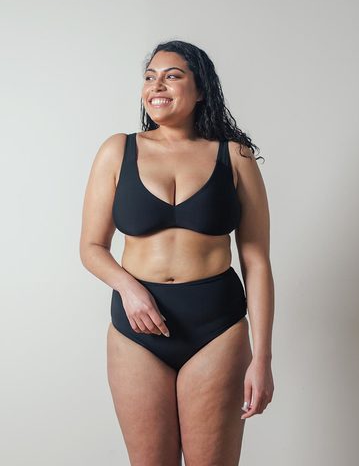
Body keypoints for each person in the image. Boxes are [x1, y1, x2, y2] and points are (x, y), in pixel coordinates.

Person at [79, 40, 275, 466]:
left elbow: (257, 262)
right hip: (137, 332)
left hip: (217, 329)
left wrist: (262, 357)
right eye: (150, 77)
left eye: (172, 76)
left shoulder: (235, 157)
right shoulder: (117, 150)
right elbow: (91, 248)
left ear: (200, 89)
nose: (156, 86)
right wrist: (129, 289)